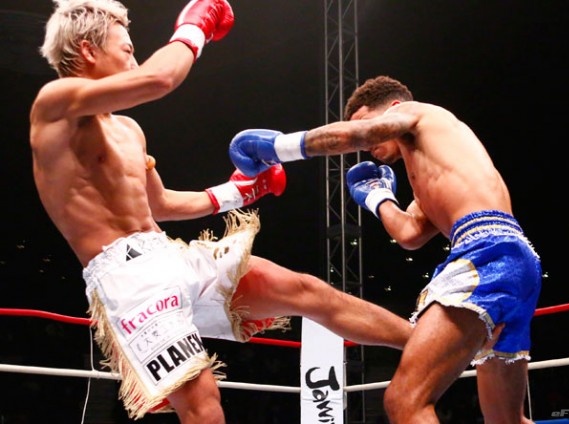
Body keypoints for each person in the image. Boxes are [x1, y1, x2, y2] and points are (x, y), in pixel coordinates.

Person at [30, 1, 412, 422]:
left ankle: (428, 343)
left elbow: (161, 205)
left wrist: (239, 192)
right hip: (126, 277)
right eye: (127, 48)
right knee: (202, 402)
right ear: (88, 50)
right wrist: (194, 29)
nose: (135, 59)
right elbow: (159, 78)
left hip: (167, 253)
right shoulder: (54, 105)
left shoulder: (128, 130)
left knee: (306, 290)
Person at [229, 75, 542, 423]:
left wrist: (278, 148)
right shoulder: (432, 170)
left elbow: (359, 135)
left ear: (392, 108)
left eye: (365, 121)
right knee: (505, 419)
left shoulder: (418, 112)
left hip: (487, 254)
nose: (366, 146)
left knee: (405, 400)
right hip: (513, 261)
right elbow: (410, 234)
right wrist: (378, 197)